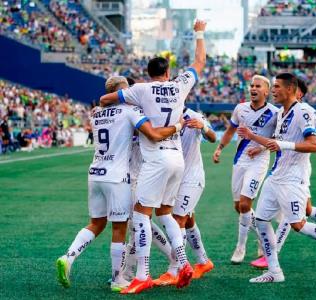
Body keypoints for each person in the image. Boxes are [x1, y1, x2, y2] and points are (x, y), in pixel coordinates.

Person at [99, 20, 207, 294]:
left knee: (140, 215)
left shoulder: (141, 90)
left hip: (156, 158)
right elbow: (200, 60)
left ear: (147, 73)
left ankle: (143, 274)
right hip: (177, 159)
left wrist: (112, 105)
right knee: (166, 213)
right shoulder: (180, 84)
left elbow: (107, 99)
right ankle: (183, 263)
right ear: (168, 72)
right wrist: (199, 32)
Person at [56, 76, 184, 292]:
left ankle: (68, 257)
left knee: (96, 224)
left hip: (95, 173)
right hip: (117, 177)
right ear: (121, 92)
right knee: (120, 228)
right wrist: (177, 125)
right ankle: (118, 279)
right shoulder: (130, 112)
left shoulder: (97, 114)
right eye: (128, 91)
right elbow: (152, 134)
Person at [238, 73, 316, 283]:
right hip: (275, 177)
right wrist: (258, 142)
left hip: (293, 179)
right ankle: (275, 272)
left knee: (298, 224)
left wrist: (284, 145)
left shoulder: (303, 111)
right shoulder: (282, 113)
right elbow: (279, 141)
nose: (273, 91)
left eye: (277, 87)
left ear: (290, 89)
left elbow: (313, 144)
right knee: (261, 221)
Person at [212, 75, 278, 264]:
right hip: (240, 160)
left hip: (259, 161)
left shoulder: (274, 112)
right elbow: (230, 131)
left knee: (244, 204)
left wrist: (261, 147)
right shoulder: (240, 109)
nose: (253, 89)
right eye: (251, 86)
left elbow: (276, 138)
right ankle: (261, 234)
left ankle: (240, 247)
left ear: (266, 91)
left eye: (258, 86)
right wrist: (219, 148)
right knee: (239, 207)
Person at [153, 107, 216, 286]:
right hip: (173, 178)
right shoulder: (162, 114)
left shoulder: (194, 115)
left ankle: (174, 270)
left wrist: (203, 126)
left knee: (178, 218)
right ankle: (203, 261)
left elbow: (212, 137)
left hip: (191, 178)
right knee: (188, 220)